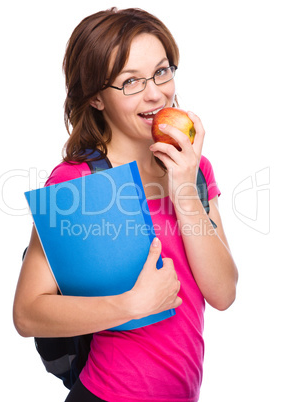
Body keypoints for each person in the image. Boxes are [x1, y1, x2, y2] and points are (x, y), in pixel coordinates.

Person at [13, 7, 238, 402]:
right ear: (97, 98)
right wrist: (131, 305)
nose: (155, 93)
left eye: (161, 71)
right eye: (130, 81)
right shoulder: (78, 181)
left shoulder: (193, 167)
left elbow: (223, 293)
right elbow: (28, 313)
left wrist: (184, 189)